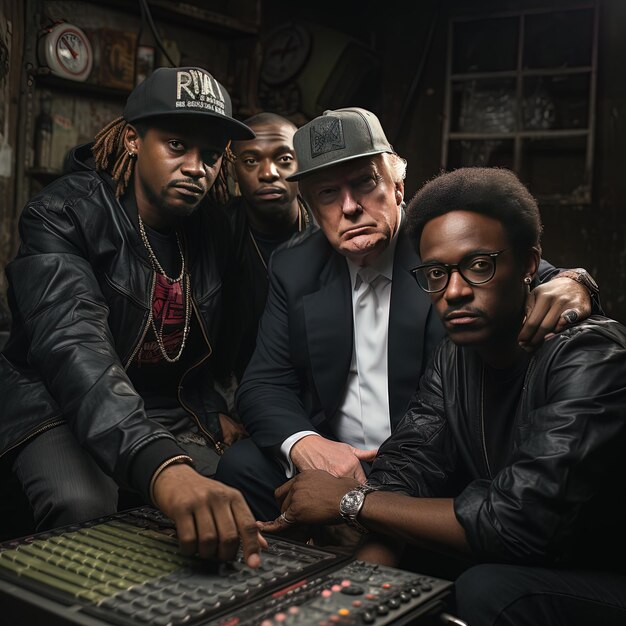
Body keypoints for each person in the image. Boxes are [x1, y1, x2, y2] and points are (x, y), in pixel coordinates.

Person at [258, 167, 626, 625]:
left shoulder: (589, 355)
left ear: (530, 265)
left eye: (478, 266)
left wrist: (349, 501)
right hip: (511, 552)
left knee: (487, 589)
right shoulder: (454, 355)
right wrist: (347, 598)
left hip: (595, 571)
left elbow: (522, 524)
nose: (452, 292)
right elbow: (410, 466)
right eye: (436, 272)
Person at [216, 107, 598, 521]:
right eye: (327, 193)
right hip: (338, 460)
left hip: (434, 464)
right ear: (309, 205)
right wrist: (308, 444)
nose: (349, 207)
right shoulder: (295, 266)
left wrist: (575, 280)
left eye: (364, 184)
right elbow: (262, 383)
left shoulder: (440, 244)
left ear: (398, 186)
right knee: (241, 465)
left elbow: (524, 272)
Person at [0, 67, 263, 566]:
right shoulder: (63, 214)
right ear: (132, 140)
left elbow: (215, 343)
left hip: (164, 406)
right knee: (84, 504)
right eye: (177, 145)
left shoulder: (212, 228)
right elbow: (72, 345)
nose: (196, 168)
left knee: (237, 489)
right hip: (54, 400)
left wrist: (214, 404)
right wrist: (162, 465)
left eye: (210, 156)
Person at [222, 112, 313, 380]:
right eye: (250, 161)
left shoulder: (329, 232)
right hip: (235, 383)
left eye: (284, 159)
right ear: (233, 171)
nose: (268, 173)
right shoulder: (215, 234)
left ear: (302, 165)